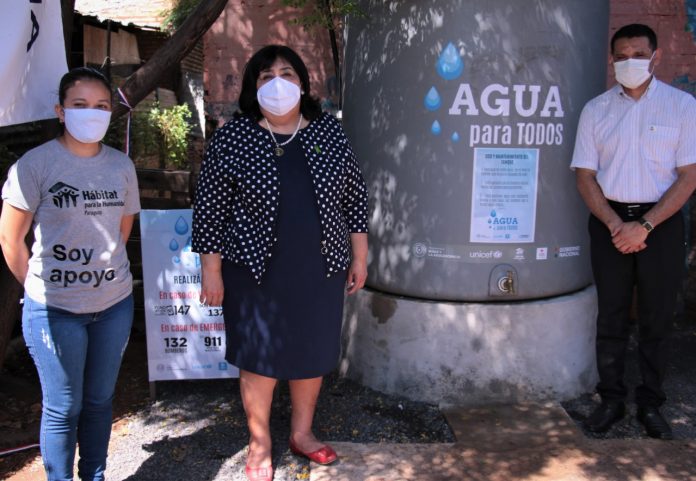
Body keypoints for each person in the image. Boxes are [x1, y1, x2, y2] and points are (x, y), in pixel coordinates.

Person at [191, 45, 368, 480]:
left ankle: (302, 434)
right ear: (254, 87)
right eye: (265, 75)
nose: (277, 83)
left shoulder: (328, 132)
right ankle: (259, 442)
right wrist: (211, 269)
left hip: (320, 266)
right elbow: (210, 207)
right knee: (259, 357)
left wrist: (360, 255)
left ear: (302, 83)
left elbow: (355, 197)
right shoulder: (235, 136)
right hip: (253, 270)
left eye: (286, 73)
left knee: (312, 352)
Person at [0, 67, 140, 480]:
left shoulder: (121, 166)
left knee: (99, 401)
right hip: (54, 310)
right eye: (80, 106)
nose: (91, 114)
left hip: (113, 305)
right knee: (64, 405)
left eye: (100, 106)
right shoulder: (35, 165)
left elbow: (121, 231)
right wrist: (41, 292)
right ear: (61, 111)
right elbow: (11, 240)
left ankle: (94, 476)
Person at [571, 24, 696, 440]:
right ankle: (610, 400)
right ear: (612, 61)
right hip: (609, 221)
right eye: (621, 56)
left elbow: (688, 176)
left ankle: (651, 404)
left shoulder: (681, 107)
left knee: (658, 317)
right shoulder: (596, 110)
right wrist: (615, 225)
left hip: (659, 223)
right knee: (611, 315)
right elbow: (586, 176)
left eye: (638, 54)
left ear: (655, 57)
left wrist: (643, 225)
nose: (629, 63)